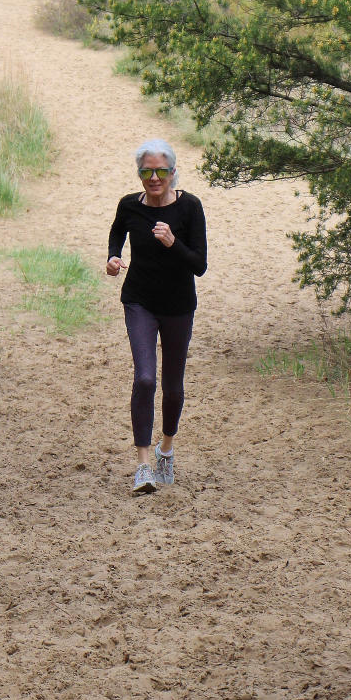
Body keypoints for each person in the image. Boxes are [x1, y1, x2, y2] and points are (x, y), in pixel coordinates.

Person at [106, 138, 207, 496]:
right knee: (146, 378)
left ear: (172, 172)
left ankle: (166, 448)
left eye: (161, 171)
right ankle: (143, 465)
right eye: (146, 171)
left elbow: (200, 265)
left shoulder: (190, 208)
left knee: (172, 385)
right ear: (139, 173)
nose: (153, 177)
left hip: (179, 305)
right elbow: (118, 229)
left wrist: (172, 243)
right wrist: (114, 257)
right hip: (139, 302)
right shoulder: (130, 206)